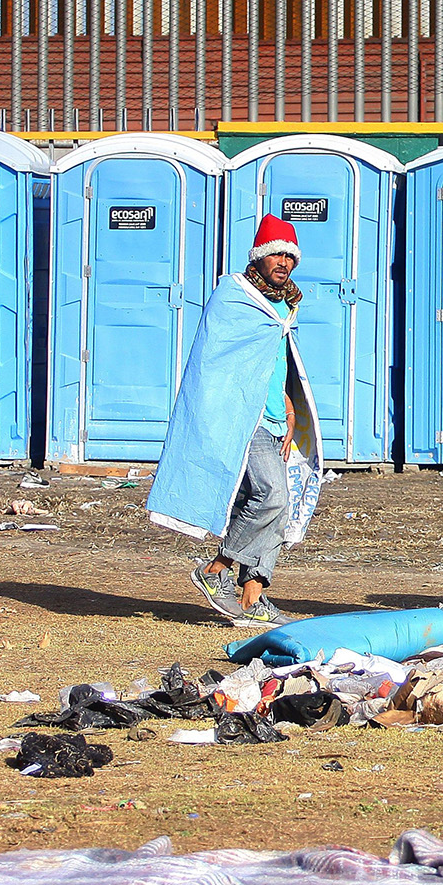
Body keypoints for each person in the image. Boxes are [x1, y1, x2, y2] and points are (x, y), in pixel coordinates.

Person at [150, 213, 323, 628]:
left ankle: (253, 594)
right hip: (240, 418)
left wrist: (288, 404)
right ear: (259, 256)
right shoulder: (235, 295)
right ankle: (216, 569)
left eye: (289, 256)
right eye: (275, 254)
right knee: (272, 495)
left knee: (270, 507)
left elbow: (274, 360)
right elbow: (218, 361)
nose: (283, 262)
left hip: (273, 418)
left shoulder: (287, 303)